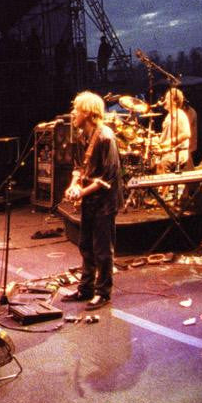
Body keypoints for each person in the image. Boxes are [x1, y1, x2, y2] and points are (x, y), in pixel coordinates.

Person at [64, 91, 121, 311]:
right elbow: (79, 167)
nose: (73, 113)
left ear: (88, 112)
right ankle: (85, 288)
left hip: (105, 201)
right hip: (90, 198)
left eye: (77, 109)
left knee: (103, 248)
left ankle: (103, 292)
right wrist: (73, 185)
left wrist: (81, 192)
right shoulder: (81, 136)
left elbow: (108, 178)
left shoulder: (106, 137)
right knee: (85, 244)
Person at [154, 87, 193, 173]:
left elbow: (187, 134)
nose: (164, 101)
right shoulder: (168, 117)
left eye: (167, 98)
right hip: (169, 152)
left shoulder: (180, 115)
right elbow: (164, 139)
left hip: (179, 153)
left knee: (162, 163)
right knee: (152, 162)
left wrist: (170, 142)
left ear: (175, 101)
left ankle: (164, 185)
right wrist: (155, 141)